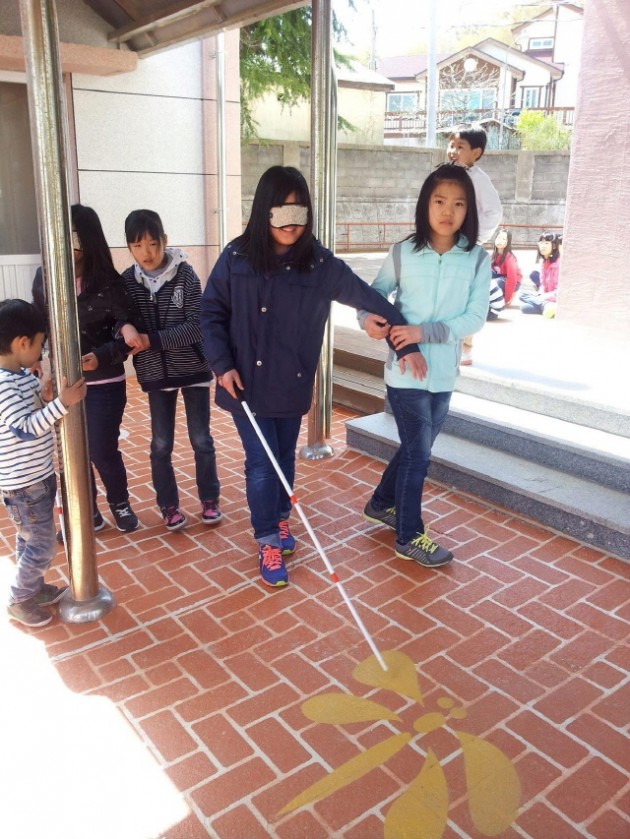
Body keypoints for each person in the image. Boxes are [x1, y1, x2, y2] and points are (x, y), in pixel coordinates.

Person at [200, 165, 425, 588]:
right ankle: (267, 537)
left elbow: (367, 296)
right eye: (281, 210)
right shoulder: (237, 256)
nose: (290, 221)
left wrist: (404, 341)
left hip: (292, 382)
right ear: (264, 212)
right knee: (262, 465)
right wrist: (221, 364)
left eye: (298, 211)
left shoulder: (319, 264)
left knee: (284, 458)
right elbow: (211, 312)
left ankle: (281, 518)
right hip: (244, 384)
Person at [361, 163, 490, 568]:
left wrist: (424, 333)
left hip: (443, 373)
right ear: (425, 204)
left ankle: (382, 503)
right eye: (439, 201)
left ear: (468, 210)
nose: (447, 211)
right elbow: (374, 296)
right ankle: (409, 535)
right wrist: (366, 319)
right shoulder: (402, 251)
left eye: (458, 203)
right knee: (419, 453)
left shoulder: (476, 259)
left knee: (418, 447)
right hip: (404, 374)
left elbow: (475, 318)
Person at [32, 204, 139, 534]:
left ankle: (119, 502)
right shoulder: (45, 277)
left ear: (89, 240)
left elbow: (127, 332)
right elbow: (39, 324)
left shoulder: (108, 280)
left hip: (105, 381)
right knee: (70, 452)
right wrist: (36, 359)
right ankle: (86, 510)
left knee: (102, 448)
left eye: (75, 238)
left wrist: (102, 356)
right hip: (64, 384)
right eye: (61, 238)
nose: (68, 246)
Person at [120, 209, 221, 532]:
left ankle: (209, 499)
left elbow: (197, 327)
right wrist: (124, 327)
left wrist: (153, 340)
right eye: (138, 246)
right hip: (154, 374)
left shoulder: (186, 275)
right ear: (129, 248)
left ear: (165, 241)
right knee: (160, 444)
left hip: (194, 370)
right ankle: (169, 506)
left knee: (201, 439)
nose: (147, 253)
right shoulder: (127, 282)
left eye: (152, 243)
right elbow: (117, 320)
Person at [1, 299, 86, 627]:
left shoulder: (20, 375)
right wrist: (62, 405)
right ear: (22, 343)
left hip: (36, 476)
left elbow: (35, 411)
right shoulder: (4, 385)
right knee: (42, 544)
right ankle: (20, 598)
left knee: (30, 540)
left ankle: (32, 589)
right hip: (24, 484)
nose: (41, 351)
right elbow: (24, 427)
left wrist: (48, 396)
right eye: (39, 344)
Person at [447, 124, 502, 365]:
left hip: (465, 248)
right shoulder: (447, 175)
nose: (452, 150)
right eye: (451, 144)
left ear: (476, 153)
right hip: (446, 245)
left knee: (466, 296)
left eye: (460, 147)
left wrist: (475, 239)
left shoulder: (478, 179)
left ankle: (465, 346)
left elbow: (494, 212)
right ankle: (448, 342)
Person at [520, 231, 561, 317]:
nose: (543, 246)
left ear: (553, 246)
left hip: (555, 299)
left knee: (527, 304)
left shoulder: (558, 265)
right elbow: (542, 285)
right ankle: (546, 306)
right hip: (547, 299)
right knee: (523, 304)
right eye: (541, 243)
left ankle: (548, 306)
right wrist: (541, 294)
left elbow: (559, 293)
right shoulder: (545, 262)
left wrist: (543, 297)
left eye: (546, 243)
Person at [491, 228, 522, 305]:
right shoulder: (493, 255)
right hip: (501, 276)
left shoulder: (509, 258)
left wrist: (506, 299)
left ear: (508, 242)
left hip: (513, 281)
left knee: (494, 283)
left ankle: (507, 294)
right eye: (498, 238)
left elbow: (512, 279)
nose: (500, 241)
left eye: (503, 239)